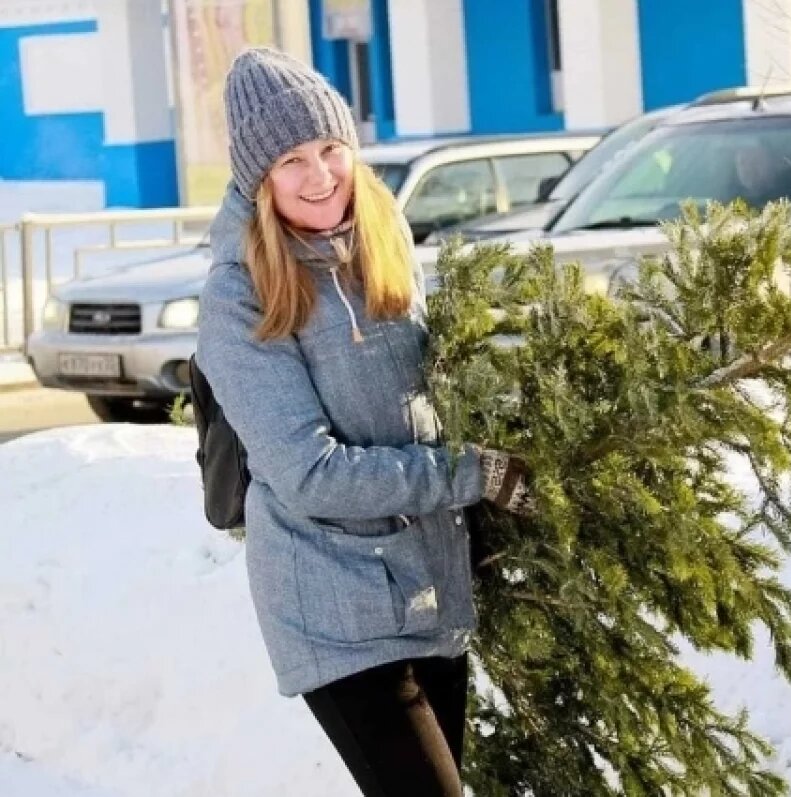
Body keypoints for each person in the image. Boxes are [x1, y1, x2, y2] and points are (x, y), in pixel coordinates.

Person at [196, 48, 532, 797]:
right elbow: (311, 473)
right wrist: (475, 472)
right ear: (258, 178)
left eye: (330, 149)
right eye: (291, 159)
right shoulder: (237, 298)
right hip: (332, 598)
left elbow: (431, 391)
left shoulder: (384, 239)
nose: (320, 175)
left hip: (430, 581)